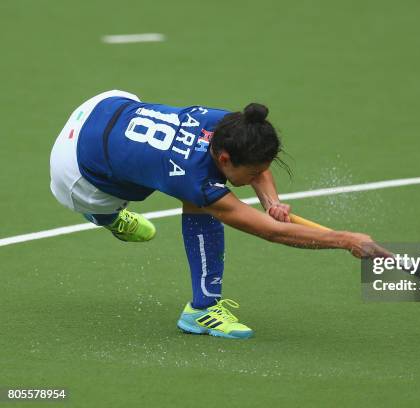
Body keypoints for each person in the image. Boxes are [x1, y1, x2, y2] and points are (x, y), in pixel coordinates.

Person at [50, 90, 388, 339]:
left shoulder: (230, 125)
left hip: (104, 107)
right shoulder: (196, 180)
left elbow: (259, 181)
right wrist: (345, 240)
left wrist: (271, 201)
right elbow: (273, 233)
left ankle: (201, 306)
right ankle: (109, 219)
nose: (259, 175)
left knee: (172, 187)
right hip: (74, 170)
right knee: (146, 200)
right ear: (225, 159)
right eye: (255, 172)